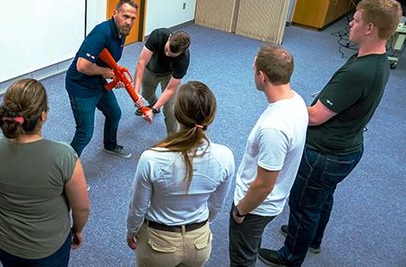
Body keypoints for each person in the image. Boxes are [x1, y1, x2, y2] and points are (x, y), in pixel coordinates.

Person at [258, 0, 402, 266]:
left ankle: (290, 256)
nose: (351, 23)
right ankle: (311, 238)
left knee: (304, 205)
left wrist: (286, 97)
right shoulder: (377, 59)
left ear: (369, 28)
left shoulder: (360, 72)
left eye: (356, 19)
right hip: (346, 148)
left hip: (325, 155)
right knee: (322, 198)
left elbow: (313, 117)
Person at [0, 78, 90, 266]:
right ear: (43, 115)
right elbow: (82, 208)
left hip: (1, 240)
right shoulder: (64, 156)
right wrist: (77, 230)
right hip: (46, 251)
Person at [126, 81, 235, 267]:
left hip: (158, 244)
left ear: (177, 114)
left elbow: (138, 207)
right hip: (199, 243)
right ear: (211, 117)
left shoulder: (152, 158)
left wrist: (131, 231)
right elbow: (216, 206)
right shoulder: (225, 157)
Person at [229, 45, 308, 267]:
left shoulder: (274, 127)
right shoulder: (296, 100)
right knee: (250, 247)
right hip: (269, 203)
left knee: (241, 259)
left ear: (262, 76)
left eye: (254, 70)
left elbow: (264, 184)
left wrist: (240, 210)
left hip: (255, 207)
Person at [65, 0, 138, 158]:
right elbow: (82, 66)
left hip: (98, 82)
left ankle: (110, 145)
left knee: (114, 113)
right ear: (115, 14)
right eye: (125, 16)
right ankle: (65, 171)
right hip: (80, 86)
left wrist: (115, 78)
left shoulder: (121, 33)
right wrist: (106, 73)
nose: (129, 22)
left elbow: (108, 61)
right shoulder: (102, 32)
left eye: (132, 18)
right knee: (85, 133)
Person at [133, 29, 191, 136]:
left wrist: (154, 109)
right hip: (150, 69)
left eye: (172, 54)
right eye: (166, 49)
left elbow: (170, 89)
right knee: (146, 94)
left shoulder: (184, 59)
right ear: (169, 38)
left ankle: (173, 140)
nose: (167, 54)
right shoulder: (158, 35)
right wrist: (135, 93)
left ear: (181, 53)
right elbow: (141, 62)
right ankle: (153, 104)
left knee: (171, 109)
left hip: (169, 75)